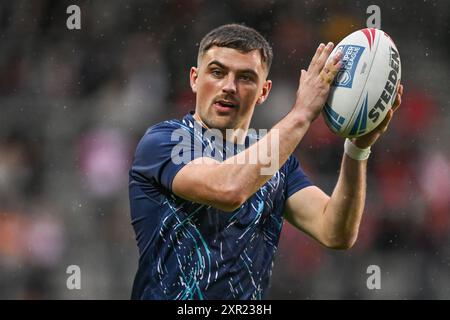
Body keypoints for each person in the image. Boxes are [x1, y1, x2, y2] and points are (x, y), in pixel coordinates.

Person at [128, 23, 403, 300]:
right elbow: (228, 189)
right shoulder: (166, 141)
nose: (229, 86)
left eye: (246, 77)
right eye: (217, 72)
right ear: (194, 79)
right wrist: (302, 113)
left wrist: (357, 150)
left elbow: (335, 232)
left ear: (264, 91)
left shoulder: (277, 162)